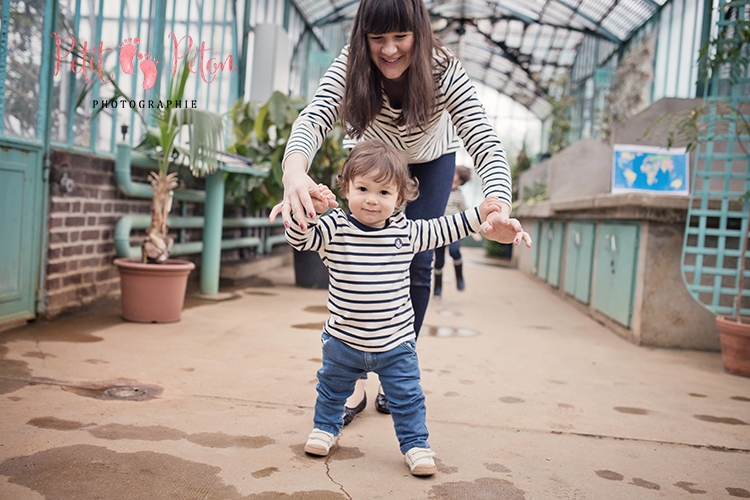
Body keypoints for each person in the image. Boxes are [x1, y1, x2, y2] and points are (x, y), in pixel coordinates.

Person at [269, 0, 532, 423]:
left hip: (431, 160)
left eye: (400, 37)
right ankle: (352, 372)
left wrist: (497, 204)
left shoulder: (444, 69)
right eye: (378, 38)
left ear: (419, 33)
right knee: (350, 249)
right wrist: (294, 170)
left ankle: (397, 367)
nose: (389, 50)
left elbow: (484, 138)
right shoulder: (352, 64)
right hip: (372, 157)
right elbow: (315, 116)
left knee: (418, 256)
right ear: (363, 38)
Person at [282, 139, 506, 476]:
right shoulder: (334, 229)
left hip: (395, 345)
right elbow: (301, 239)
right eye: (363, 188)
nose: (372, 199)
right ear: (346, 189)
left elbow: (445, 227)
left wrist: (481, 214)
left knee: (408, 399)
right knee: (331, 390)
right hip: (343, 341)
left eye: (384, 193)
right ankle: (324, 429)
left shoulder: (407, 233)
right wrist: (306, 211)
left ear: (400, 198)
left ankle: (416, 444)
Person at [433, 165, 483, 297]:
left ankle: (459, 277)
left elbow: (467, 213)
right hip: (439, 230)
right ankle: (437, 288)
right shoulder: (440, 190)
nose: (452, 185)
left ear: (461, 183)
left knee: (454, 251)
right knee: (438, 261)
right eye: (452, 180)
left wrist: (474, 232)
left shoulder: (459, 196)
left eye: (456, 183)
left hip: (455, 230)